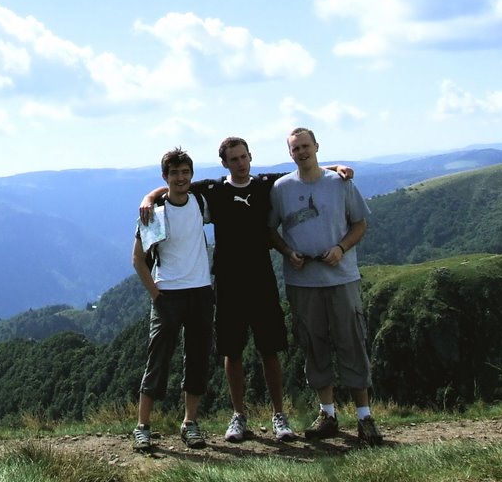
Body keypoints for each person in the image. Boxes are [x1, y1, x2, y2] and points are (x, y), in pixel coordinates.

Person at [139, 137, 352, 444]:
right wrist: (148, 198)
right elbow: (174, 189)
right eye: (233, 159)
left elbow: (302, 173)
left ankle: (279, 416)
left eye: (243, 157)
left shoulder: (267, 185)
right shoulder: (213, 191)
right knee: (231, 350)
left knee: (270, 348)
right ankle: (239, 416)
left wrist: (336, 167)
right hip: (227, 281)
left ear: (251, 157)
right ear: (224, 163)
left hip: (261, 280)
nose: (240, 163)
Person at [267, 127, 383, 446]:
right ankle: (327, 414)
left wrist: (341, 248)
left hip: (341, 276)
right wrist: (288, 252)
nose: (302, 152)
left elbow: (360, 223)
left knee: (351, 341)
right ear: (289, 153)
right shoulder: (280, 188)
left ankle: (364, 417)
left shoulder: (340, 183)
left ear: (317, 147)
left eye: (306, 146)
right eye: (295, 148)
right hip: (302, 281)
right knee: (312, 343)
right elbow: (270, 230)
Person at [131, 147, 215, 451]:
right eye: (174, 173)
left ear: (191, 175)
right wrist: (156, 295)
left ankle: (190, 423)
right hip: (168, 295)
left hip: (201, 292)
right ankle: (142, 426)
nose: (180, 178)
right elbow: (138, 260)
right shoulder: (154, 214)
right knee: (158, 359)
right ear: (165, 177)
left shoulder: (202, 201)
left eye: (185, 172)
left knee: (197, 358)